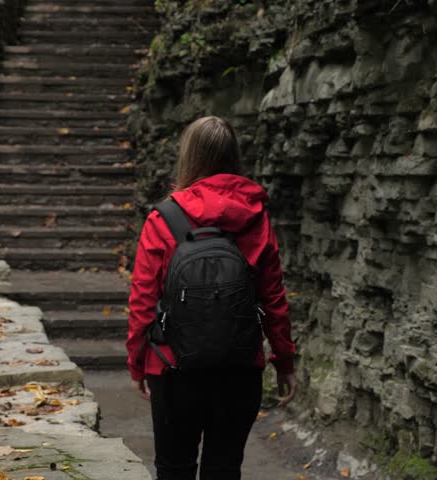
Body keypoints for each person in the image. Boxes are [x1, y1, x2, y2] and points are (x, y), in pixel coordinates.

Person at [126, 116, 298, 480]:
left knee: (174, 469)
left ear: (189, 156)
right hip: (239, 367)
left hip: (173, 366)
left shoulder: (163, 217)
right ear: (233, 156)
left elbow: (143, 298)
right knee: (224, 468)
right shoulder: (256, 216)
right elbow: (273, 299)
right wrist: (284, 361)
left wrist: (138, 362)